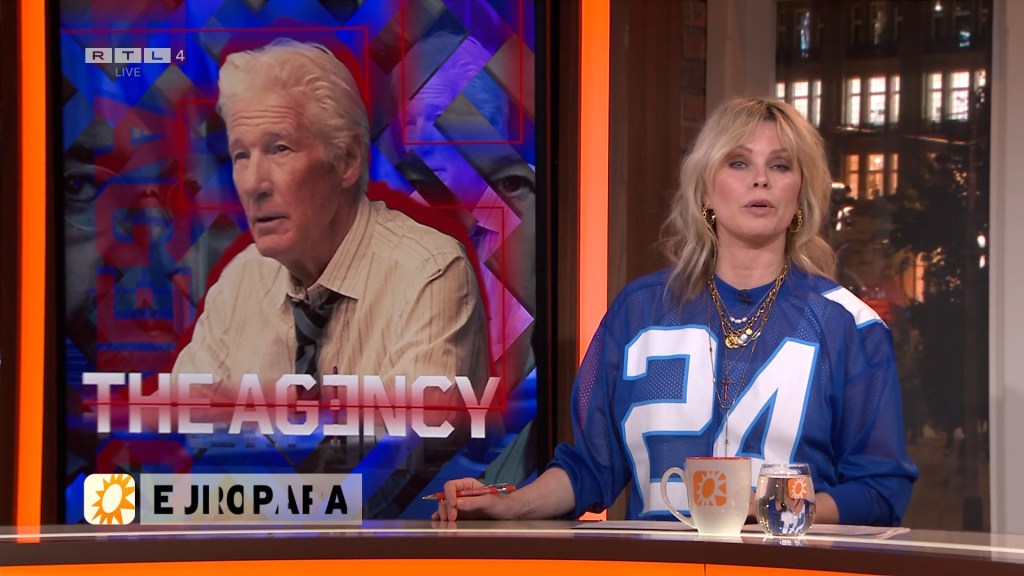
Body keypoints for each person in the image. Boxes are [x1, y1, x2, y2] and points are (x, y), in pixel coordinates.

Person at [434, 97, 919, 526]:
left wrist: (774, 506)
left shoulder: (849, 326)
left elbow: (880, 490)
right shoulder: (639, 312)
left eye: (780, 165)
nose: (760, 179)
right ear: (705, 191)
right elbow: (590, 469)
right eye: (738, 162)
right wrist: (509, 504)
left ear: (799, 196)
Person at [173, 38, 490, 431]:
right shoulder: (239, 282)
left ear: (348, 159)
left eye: (279, 149)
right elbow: (176, 435)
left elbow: (398, 457)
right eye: (241, 155)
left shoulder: (430, 273)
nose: (253, 183)